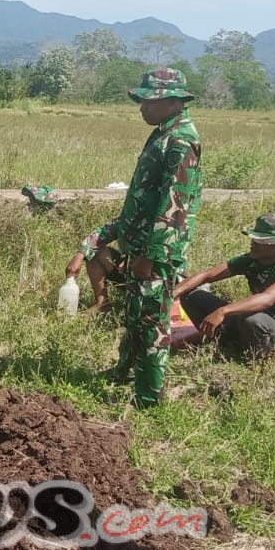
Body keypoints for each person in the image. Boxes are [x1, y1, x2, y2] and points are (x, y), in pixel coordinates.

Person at [91, 67, 202, 408]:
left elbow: (174, 205)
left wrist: (151, 255)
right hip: (140, 246)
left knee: (152, 323)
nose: (142, 107)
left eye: (148, 101)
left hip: (156, 253)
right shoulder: (163, 133)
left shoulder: (181, 140)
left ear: (172, 101)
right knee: (136, 317)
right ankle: (125, 372)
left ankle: (148, 399)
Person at [170, 213, 275, 358]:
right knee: (191, 295)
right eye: (254, 238)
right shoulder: (250, 260)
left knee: (252, 319)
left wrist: (223, 311)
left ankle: (258, 357)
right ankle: (220, 340)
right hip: (249, 320)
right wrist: (171, 295)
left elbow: (267, 299)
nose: (253, 242)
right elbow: (207, 275)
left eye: (261, 240)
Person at [64, 218, 127, 314]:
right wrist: (79, 256)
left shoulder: (156, 220)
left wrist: (131, 259)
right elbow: (104, 232)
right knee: (94, 253)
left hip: (151, 275)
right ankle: (103, 305)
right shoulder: (133, 216)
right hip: (128, 271)